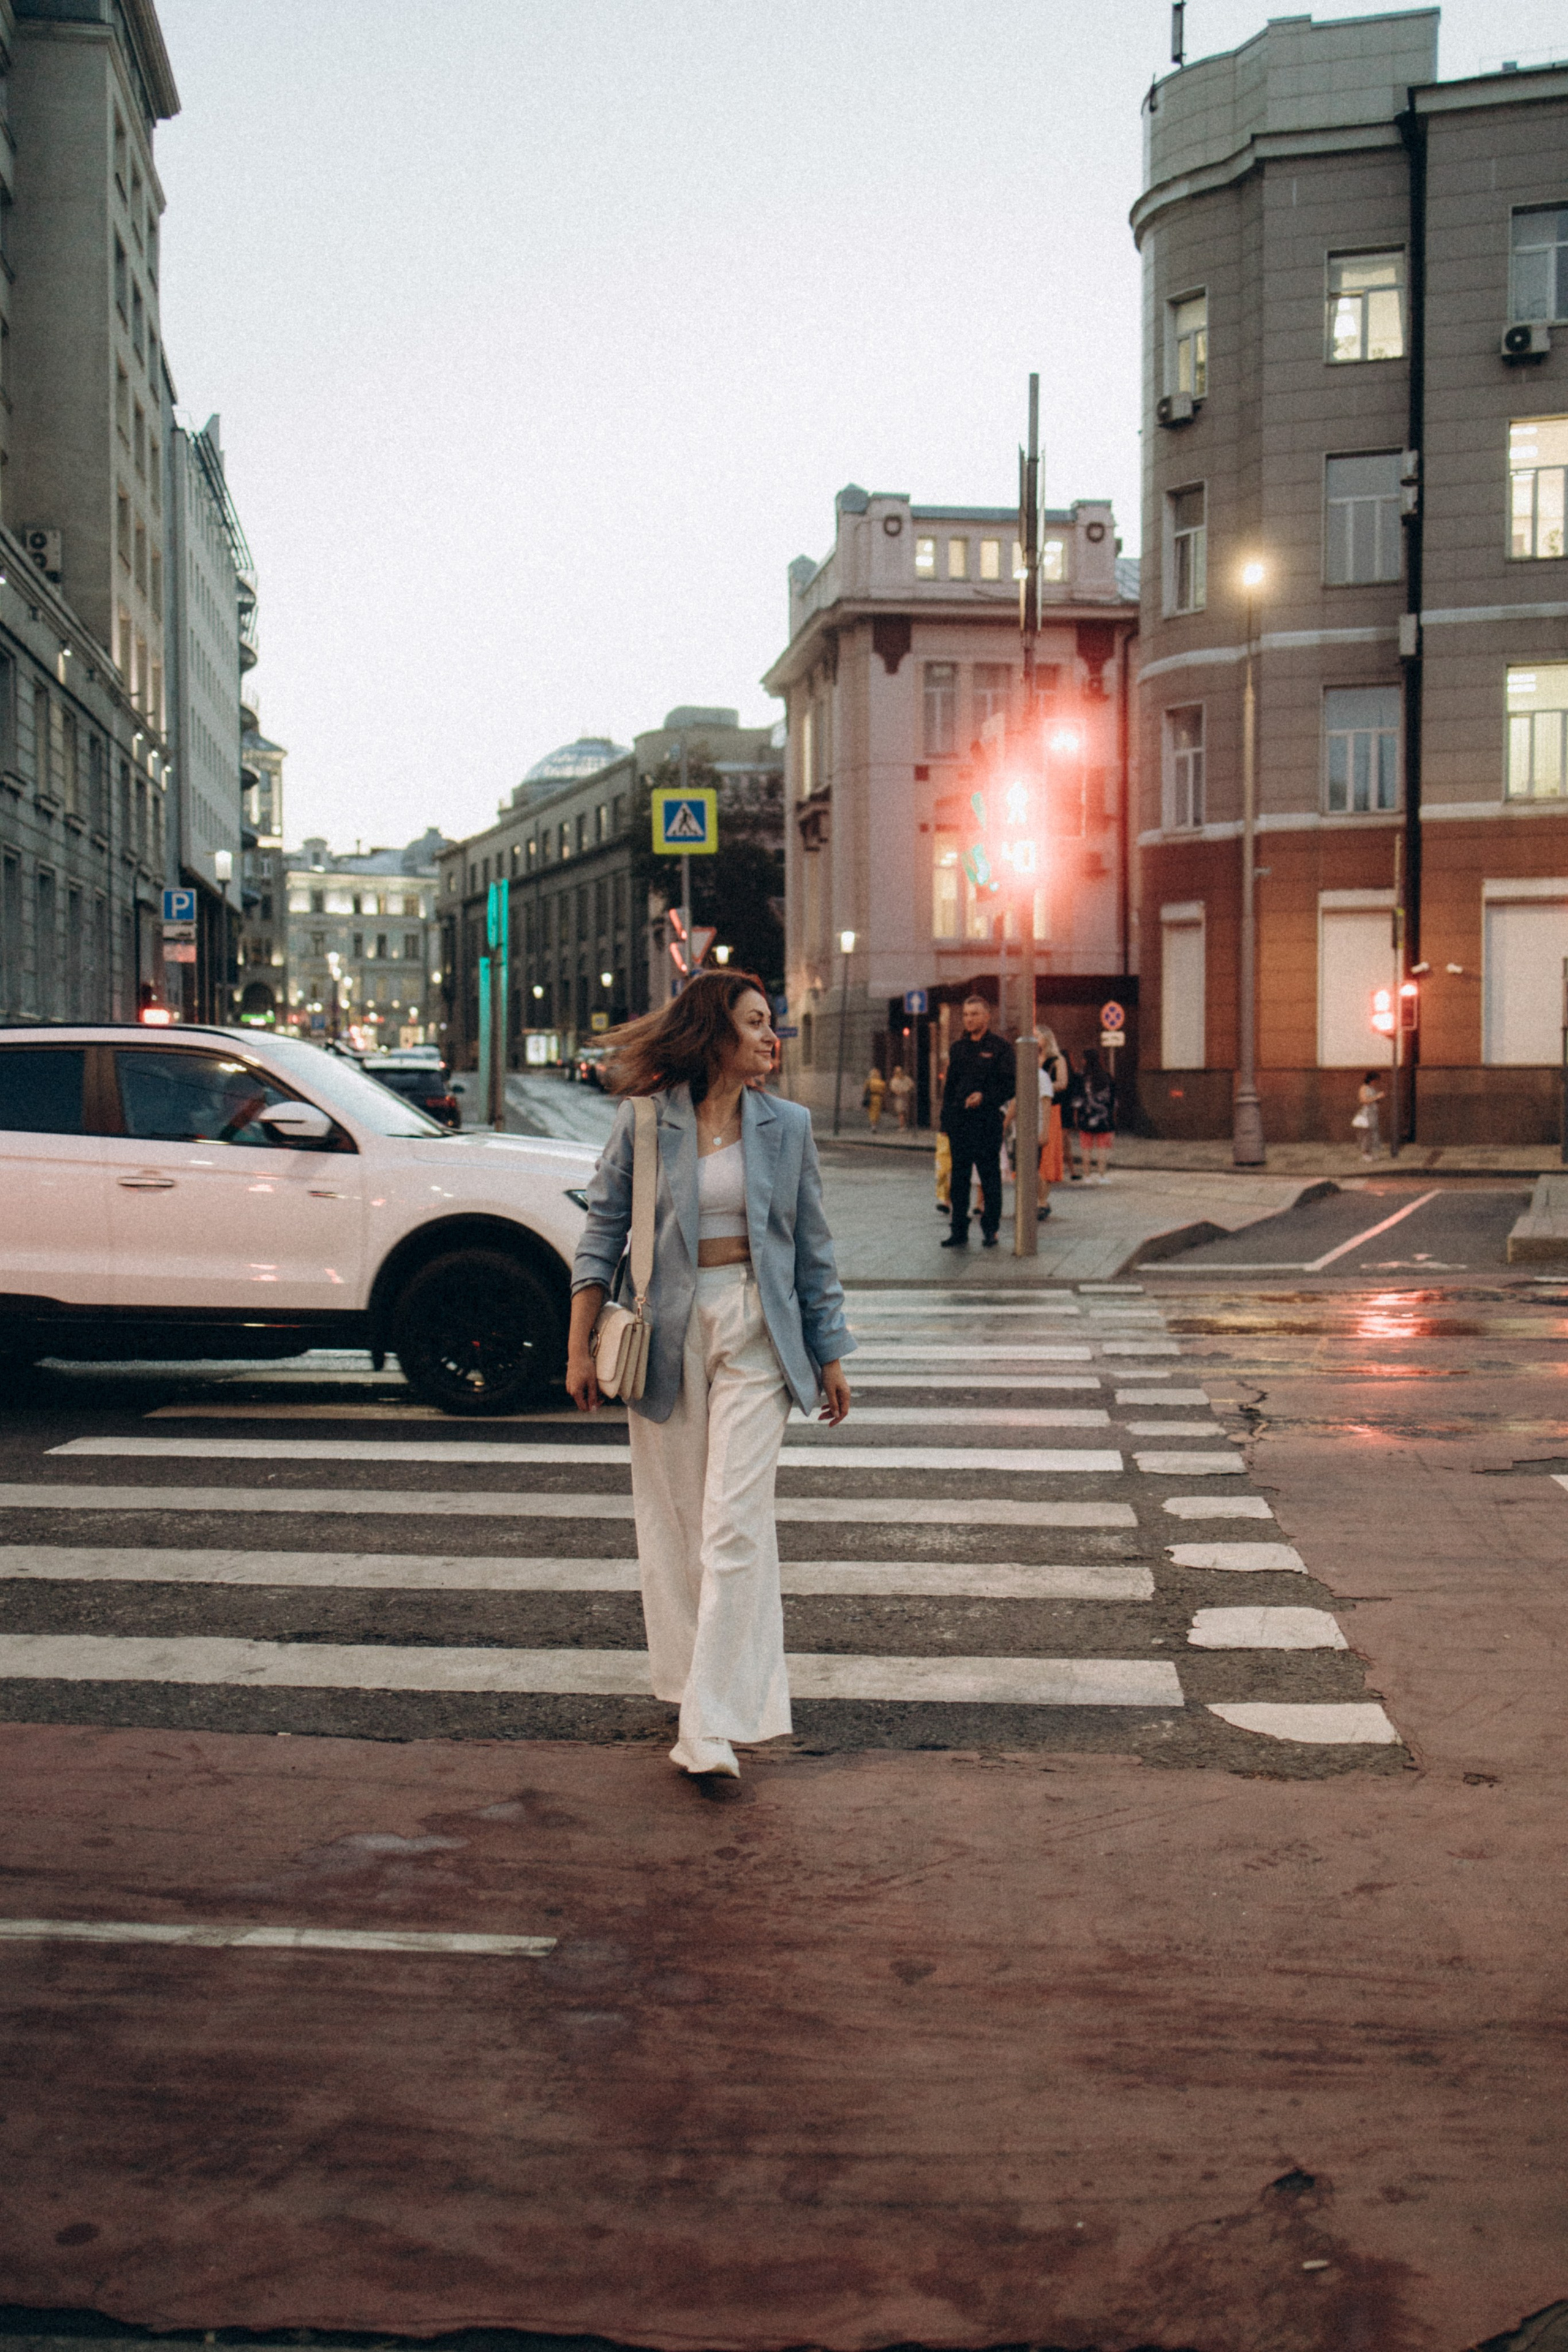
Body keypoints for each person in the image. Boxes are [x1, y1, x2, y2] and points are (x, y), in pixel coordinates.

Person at [567, 970, 854, 1782]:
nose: (773, 1037)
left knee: (733, 1522)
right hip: (667, 1331)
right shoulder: (649, 1123)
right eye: (758, 1023)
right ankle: (708, 1694)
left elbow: (814, 1250)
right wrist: (578, 1346)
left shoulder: (787, 1126)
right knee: (682, 1524)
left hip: (758, 1331)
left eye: (775, 1024)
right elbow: (602, 1235)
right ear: (716, 1033)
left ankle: (707, 1721)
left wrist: (830, 1353)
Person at [939, 993, 1016, 1248]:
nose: (969, 1019)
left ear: (986, 1016)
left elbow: (1009, 1085)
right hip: (960, 1123)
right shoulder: (958, 1048)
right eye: (965, 1014)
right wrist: (946, 1123)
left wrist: (985, 1097)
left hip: (987, 1124)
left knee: (989, 1178)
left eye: (974, 1014)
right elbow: (949, 1088)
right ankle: (958, 1231)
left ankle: (990, 1230)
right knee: (959, 1180)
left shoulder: (1000, 1048)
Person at [1073, 1046, 1117, 1183]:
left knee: (1086, 1148)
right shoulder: (1107, 1076)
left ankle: (1087, 1175)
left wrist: (1077, 1114)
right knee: (1102, 1148)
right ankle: (1102, 1175)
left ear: (1085, 1060)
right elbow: (1113, 1099)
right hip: (1104, 1119)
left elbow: (1077, 1099)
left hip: (1085, 1117)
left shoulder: (1081, 1077)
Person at [1038, 1027, 1068, 1195]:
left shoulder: (1057, 1059)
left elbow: (1063, 1083)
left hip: (1051, 1108)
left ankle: (1043, 1199)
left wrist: (1043, 1086)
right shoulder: (1031, 1057)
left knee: (1047, 1152)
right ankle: (1035, 1198)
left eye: (1038, 1036)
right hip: (1033, 1108)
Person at [1355, 1072, 1387, 1159]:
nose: (1376, 1083)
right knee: (1366, 1134)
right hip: (1367, 1113)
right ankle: (1365, 1153)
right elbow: (1364, 1100)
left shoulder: (1372, 1088)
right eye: (1375, 1081)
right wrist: (1377, 1097)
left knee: (1373, 1133)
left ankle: (1370, 1152)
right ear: (1371, 1080)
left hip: (1373, 1113)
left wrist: (1379, 1099)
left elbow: (1373, 1099)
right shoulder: (1364, 1088)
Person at [888, 1065, 915, 1131]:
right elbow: (912, 1085)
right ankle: (905, 1125)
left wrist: (899, 1092)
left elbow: (893, 1089)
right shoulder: (906, 1079)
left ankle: (902, 1126)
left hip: (899, 1097)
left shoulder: (895, 1080)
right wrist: (907, 1090)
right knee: (904, 1112)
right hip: (906, 1096)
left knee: (901, 1112)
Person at [862, 1065, 886, 1129]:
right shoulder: (882, 1082)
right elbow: (884, 1091)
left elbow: (865, 1090)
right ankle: (875, 1123)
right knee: (877, 1111)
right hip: (879, 1098)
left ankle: (873, 1125)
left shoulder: (869, 1082)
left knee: (871, 1111)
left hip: (871, 1097)